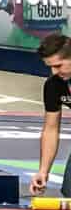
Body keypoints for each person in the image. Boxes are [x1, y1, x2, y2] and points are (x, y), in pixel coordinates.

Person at [31, 32, 71, 196]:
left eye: (59, 65)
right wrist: (43, 171)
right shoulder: (54, 85)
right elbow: (51, 129)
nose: (54, 72)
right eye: (50, 67)